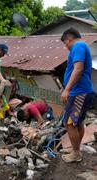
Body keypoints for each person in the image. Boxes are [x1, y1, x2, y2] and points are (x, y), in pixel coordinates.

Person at [60, 28, 94, 163]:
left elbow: (78, 68)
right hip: (83, 91)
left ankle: (76, 154)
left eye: (65, 43)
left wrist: (67, 89)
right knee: (77, 122)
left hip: (79, 92)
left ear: (69, 39)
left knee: (69, 123)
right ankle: (76, 148)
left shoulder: (78, 46)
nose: (65, 47)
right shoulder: (83, 45)